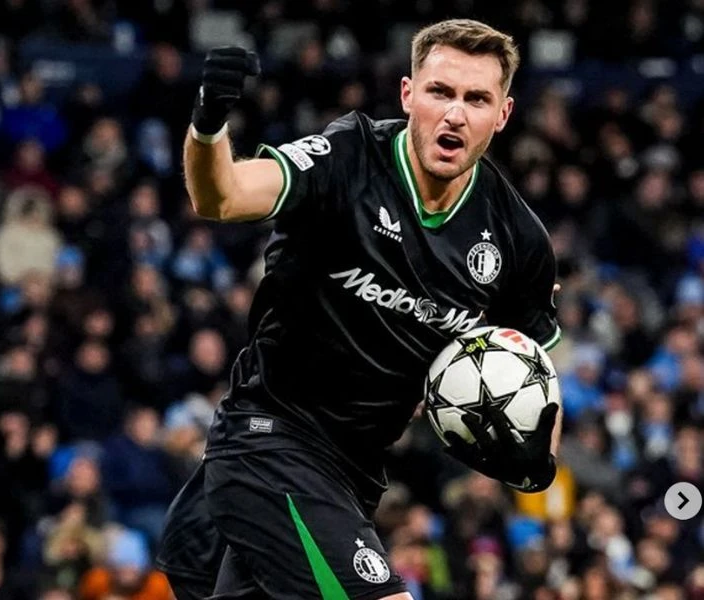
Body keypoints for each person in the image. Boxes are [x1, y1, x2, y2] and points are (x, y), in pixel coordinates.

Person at [156, 18, 563, 600]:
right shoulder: (349, 159)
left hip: (354, 478)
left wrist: (535, 456)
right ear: (408, 94)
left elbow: (537, 371)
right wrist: (208, 125)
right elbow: (219, 196)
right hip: (269, 443)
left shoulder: (519, 240)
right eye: (440, 92)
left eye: (477, 99)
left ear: (502, 114)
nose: (455, 114)